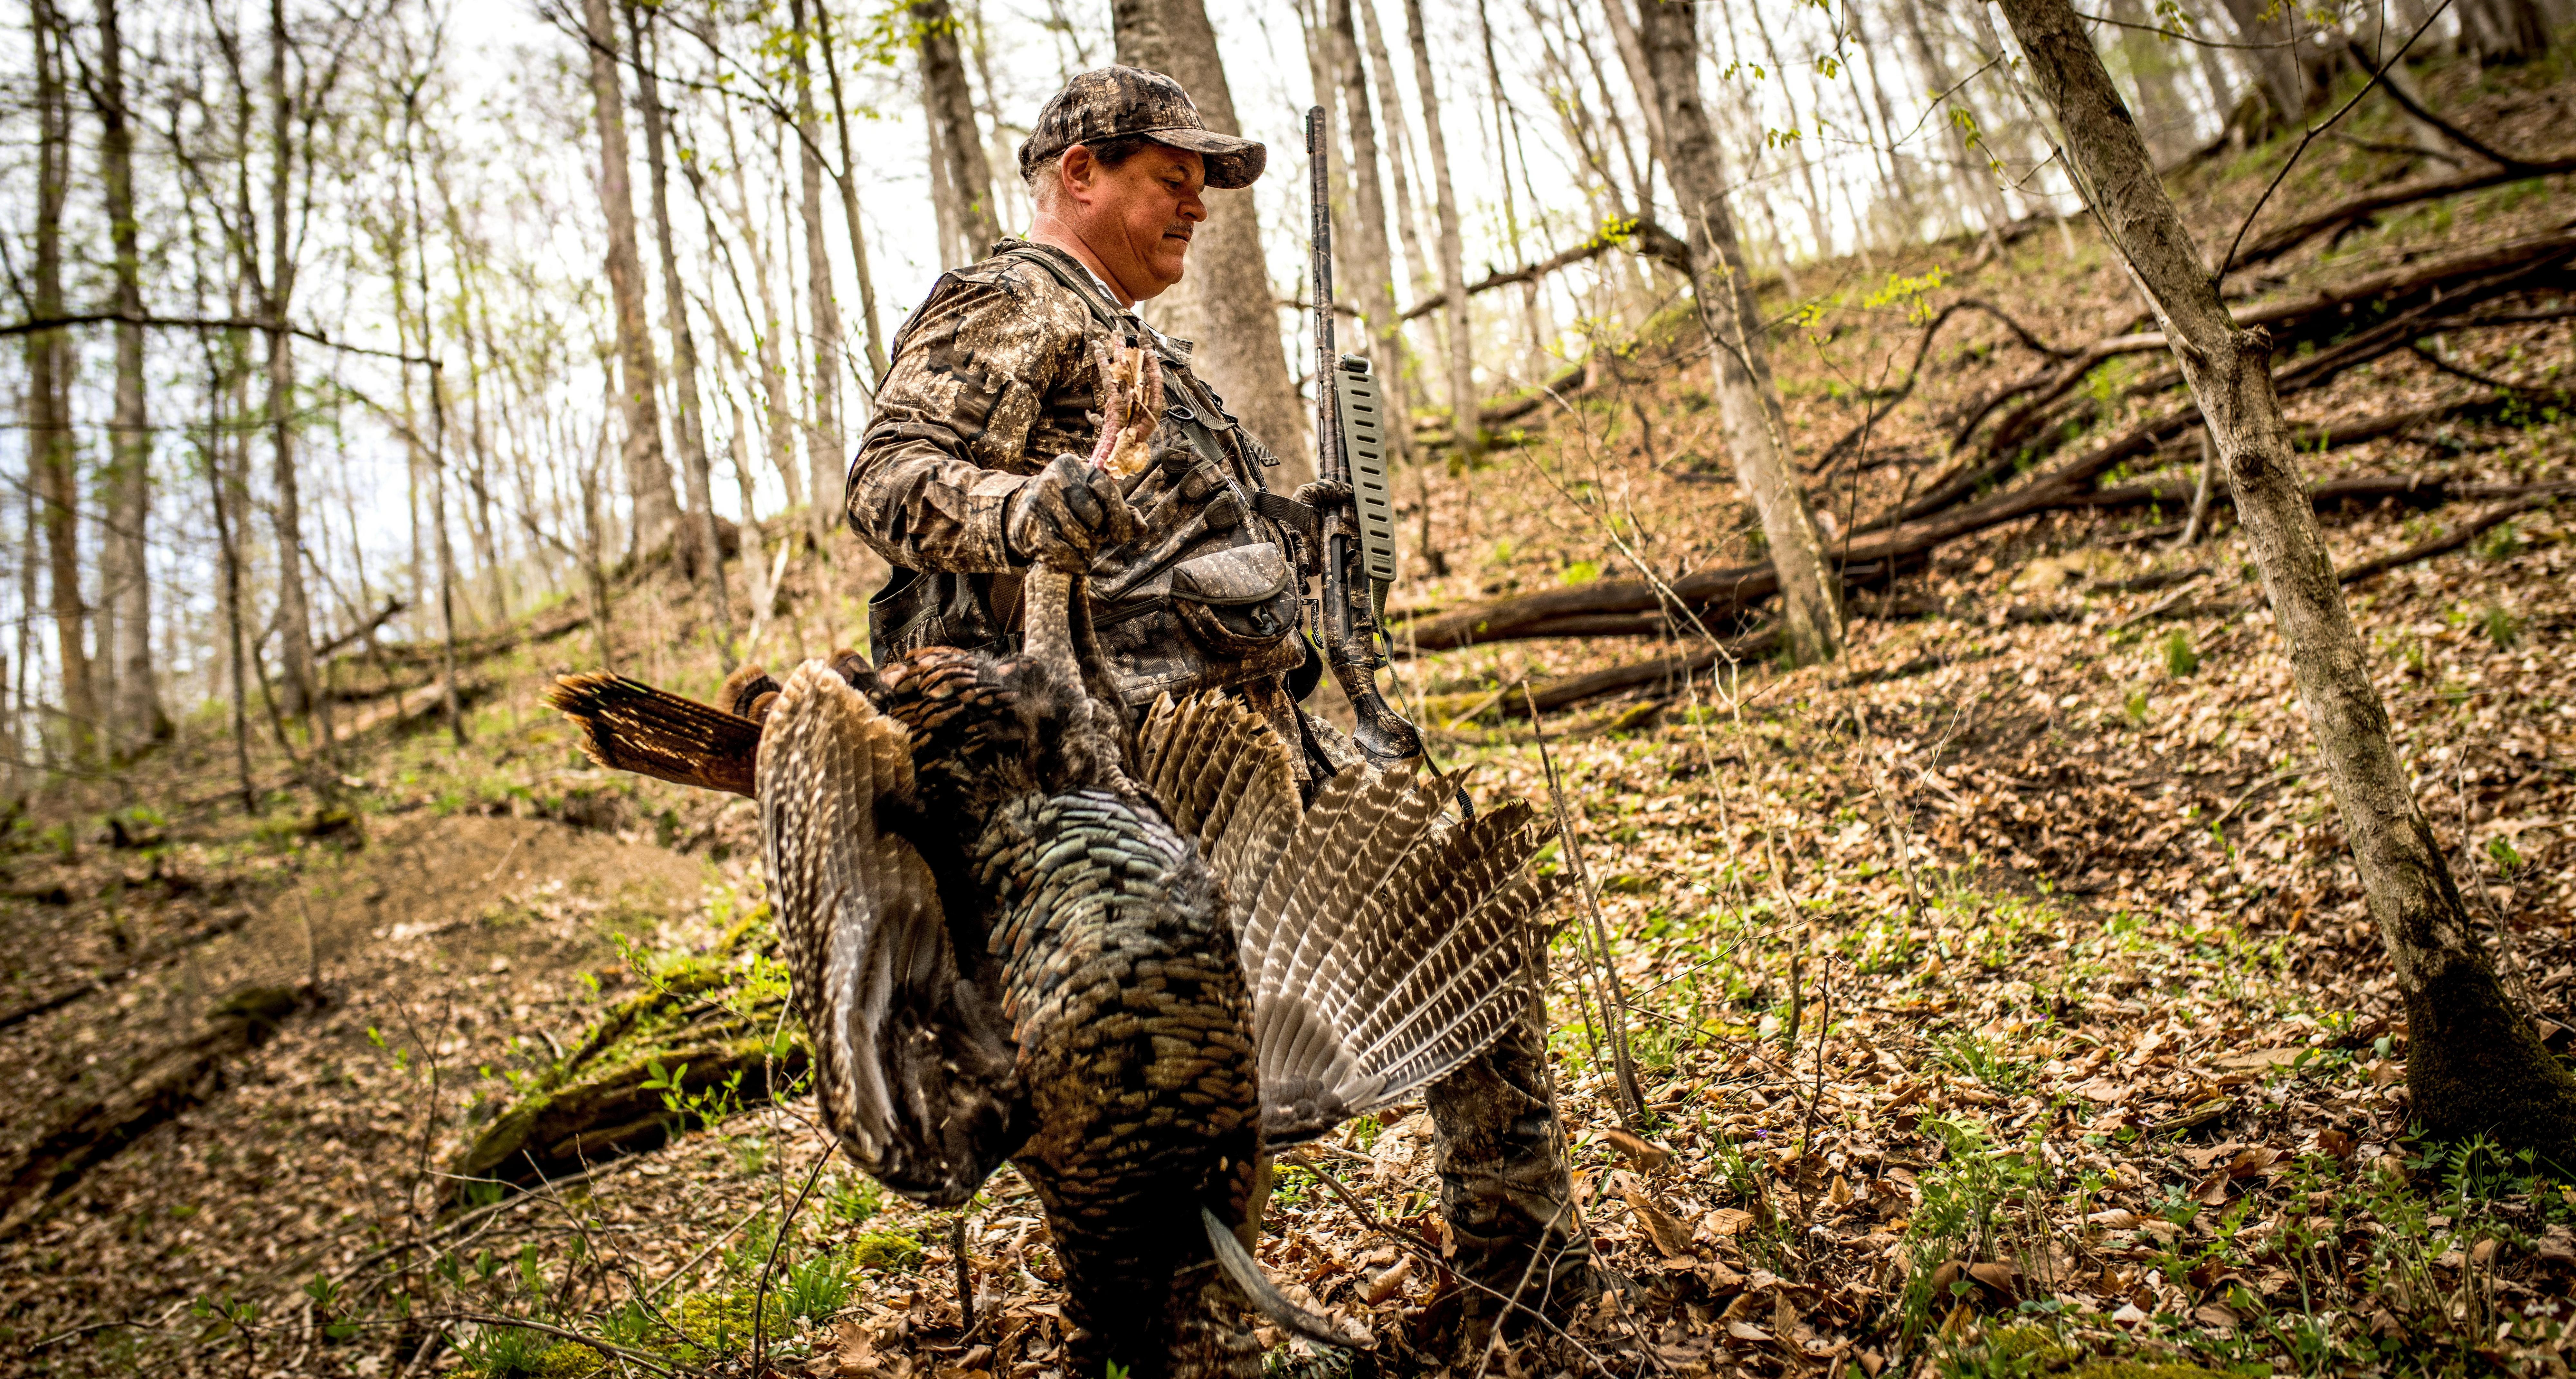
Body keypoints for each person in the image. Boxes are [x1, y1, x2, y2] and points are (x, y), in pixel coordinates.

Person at [843, 65, 1587, 1348]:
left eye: (1203, 188)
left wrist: (1292, 547)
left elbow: (1164, 551)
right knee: (1174, 1120)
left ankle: (1522, 1296)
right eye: (1167, 180)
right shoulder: (1012, 299)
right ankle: (1212, 1337)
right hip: (1132, 798)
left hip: (1246, 756)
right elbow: (888, 480)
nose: (1194, 209)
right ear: (1077, 173)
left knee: (1469, 957)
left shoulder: (1129, 341)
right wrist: (1028, 514)